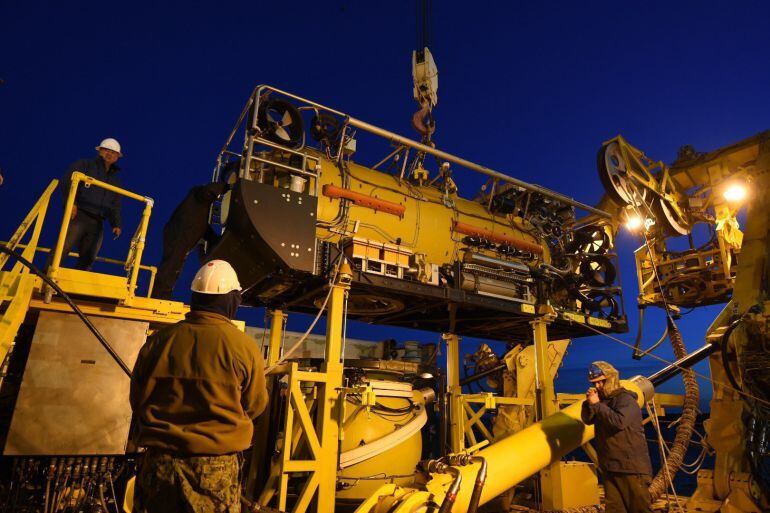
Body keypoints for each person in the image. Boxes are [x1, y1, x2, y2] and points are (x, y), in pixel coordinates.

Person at [130, 260, 268, 513]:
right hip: (215, 469)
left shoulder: (159, 341)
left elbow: (137, 400)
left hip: (158, 465)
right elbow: (256, 406)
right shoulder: (243, 348)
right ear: (231, 299)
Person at [581, 361, 653, 513]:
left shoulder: (625, 400)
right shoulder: (602, 402)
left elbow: (618, 422)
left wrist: (597, 405)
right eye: (595, 383)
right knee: (614, 509)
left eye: (601, 382)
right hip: (610, 467)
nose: (598, 386)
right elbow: (588, 419)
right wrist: (589, 404)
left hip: (631, 469)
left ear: (610, 379)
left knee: (639, 509)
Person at [52, 138, 124, 270]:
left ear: (117, 157)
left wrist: (116, 224)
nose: (109, 154)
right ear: (100, 151)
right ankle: (44, 277)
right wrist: (71, 203)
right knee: (62, 248)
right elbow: (67, 182)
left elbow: (115, 204)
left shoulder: (115, 180)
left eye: (113, 153)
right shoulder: (85, 165)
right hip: (79, 215)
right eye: (106, 150)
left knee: (89, 257)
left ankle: (73, 288)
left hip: (98, 221)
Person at [151, 182, 226, 300]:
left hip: (180, 235)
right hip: (179, 235)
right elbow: (207, 192)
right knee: (171, 266)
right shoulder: (199, 196)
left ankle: (161, 296)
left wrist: (217, 240)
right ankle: (159, 298)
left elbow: (204, 229)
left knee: (173, 267)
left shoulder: (199, 211)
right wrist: (226, 187)